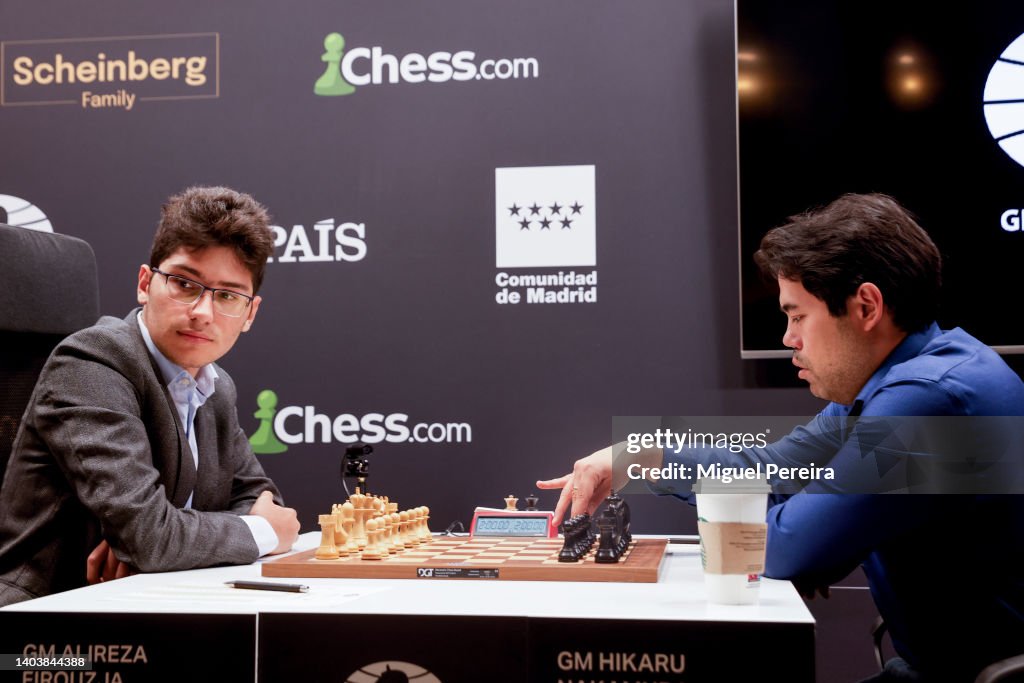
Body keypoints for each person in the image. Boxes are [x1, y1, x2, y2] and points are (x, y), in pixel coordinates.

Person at [538, 193, 1024, 682]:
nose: (789, 338)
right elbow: (773, 472)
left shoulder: (928, 402)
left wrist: (789, 527)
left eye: (797, 316)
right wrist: (636, 458)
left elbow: (788, 544)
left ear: (866, 306)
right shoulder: (897, 382)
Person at [0, 186, 300, 606]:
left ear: (249, 314)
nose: (202, 312)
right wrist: (262, 533)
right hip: (44, 640)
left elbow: (260, 498)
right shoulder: (90, 362)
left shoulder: (215, 386)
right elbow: (152, 537)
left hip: (143, 608)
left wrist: (161, 543)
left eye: (228, 296)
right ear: (145, 283)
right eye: (184, 283)